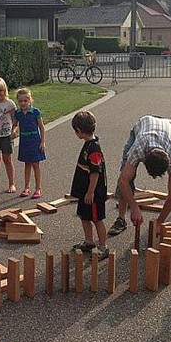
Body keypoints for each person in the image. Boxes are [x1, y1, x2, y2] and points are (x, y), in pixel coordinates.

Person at [107, 115, 171, 242]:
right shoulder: (138, 148)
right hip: (143, 126)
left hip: (168, 128)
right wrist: (134, 207)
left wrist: (160, 222)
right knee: (125, 174)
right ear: (143, 159)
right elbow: (123, 181)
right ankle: (121, 219)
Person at [70, 111, 109, 260]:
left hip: (92, 193)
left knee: (96, 219)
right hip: (84, 192)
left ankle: (103, 247)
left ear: (79, 130)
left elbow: (95, 172)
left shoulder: (93, 149)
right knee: (84, 216)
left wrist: (90, 192)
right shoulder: (88, 145)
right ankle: (89, 242)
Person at [13, 88, 46, 199]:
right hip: (24, 140)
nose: (23, 103)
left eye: (25, 101)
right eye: (20, 101)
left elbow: (41, 127)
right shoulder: (17, 113)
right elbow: (15, 124)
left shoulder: (35, 112)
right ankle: (26, 187)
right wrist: (13, 131)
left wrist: (42, 141)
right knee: (27, 164)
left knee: (35, 164)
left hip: (34, 140)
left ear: (30, 100)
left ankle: (38, 188)